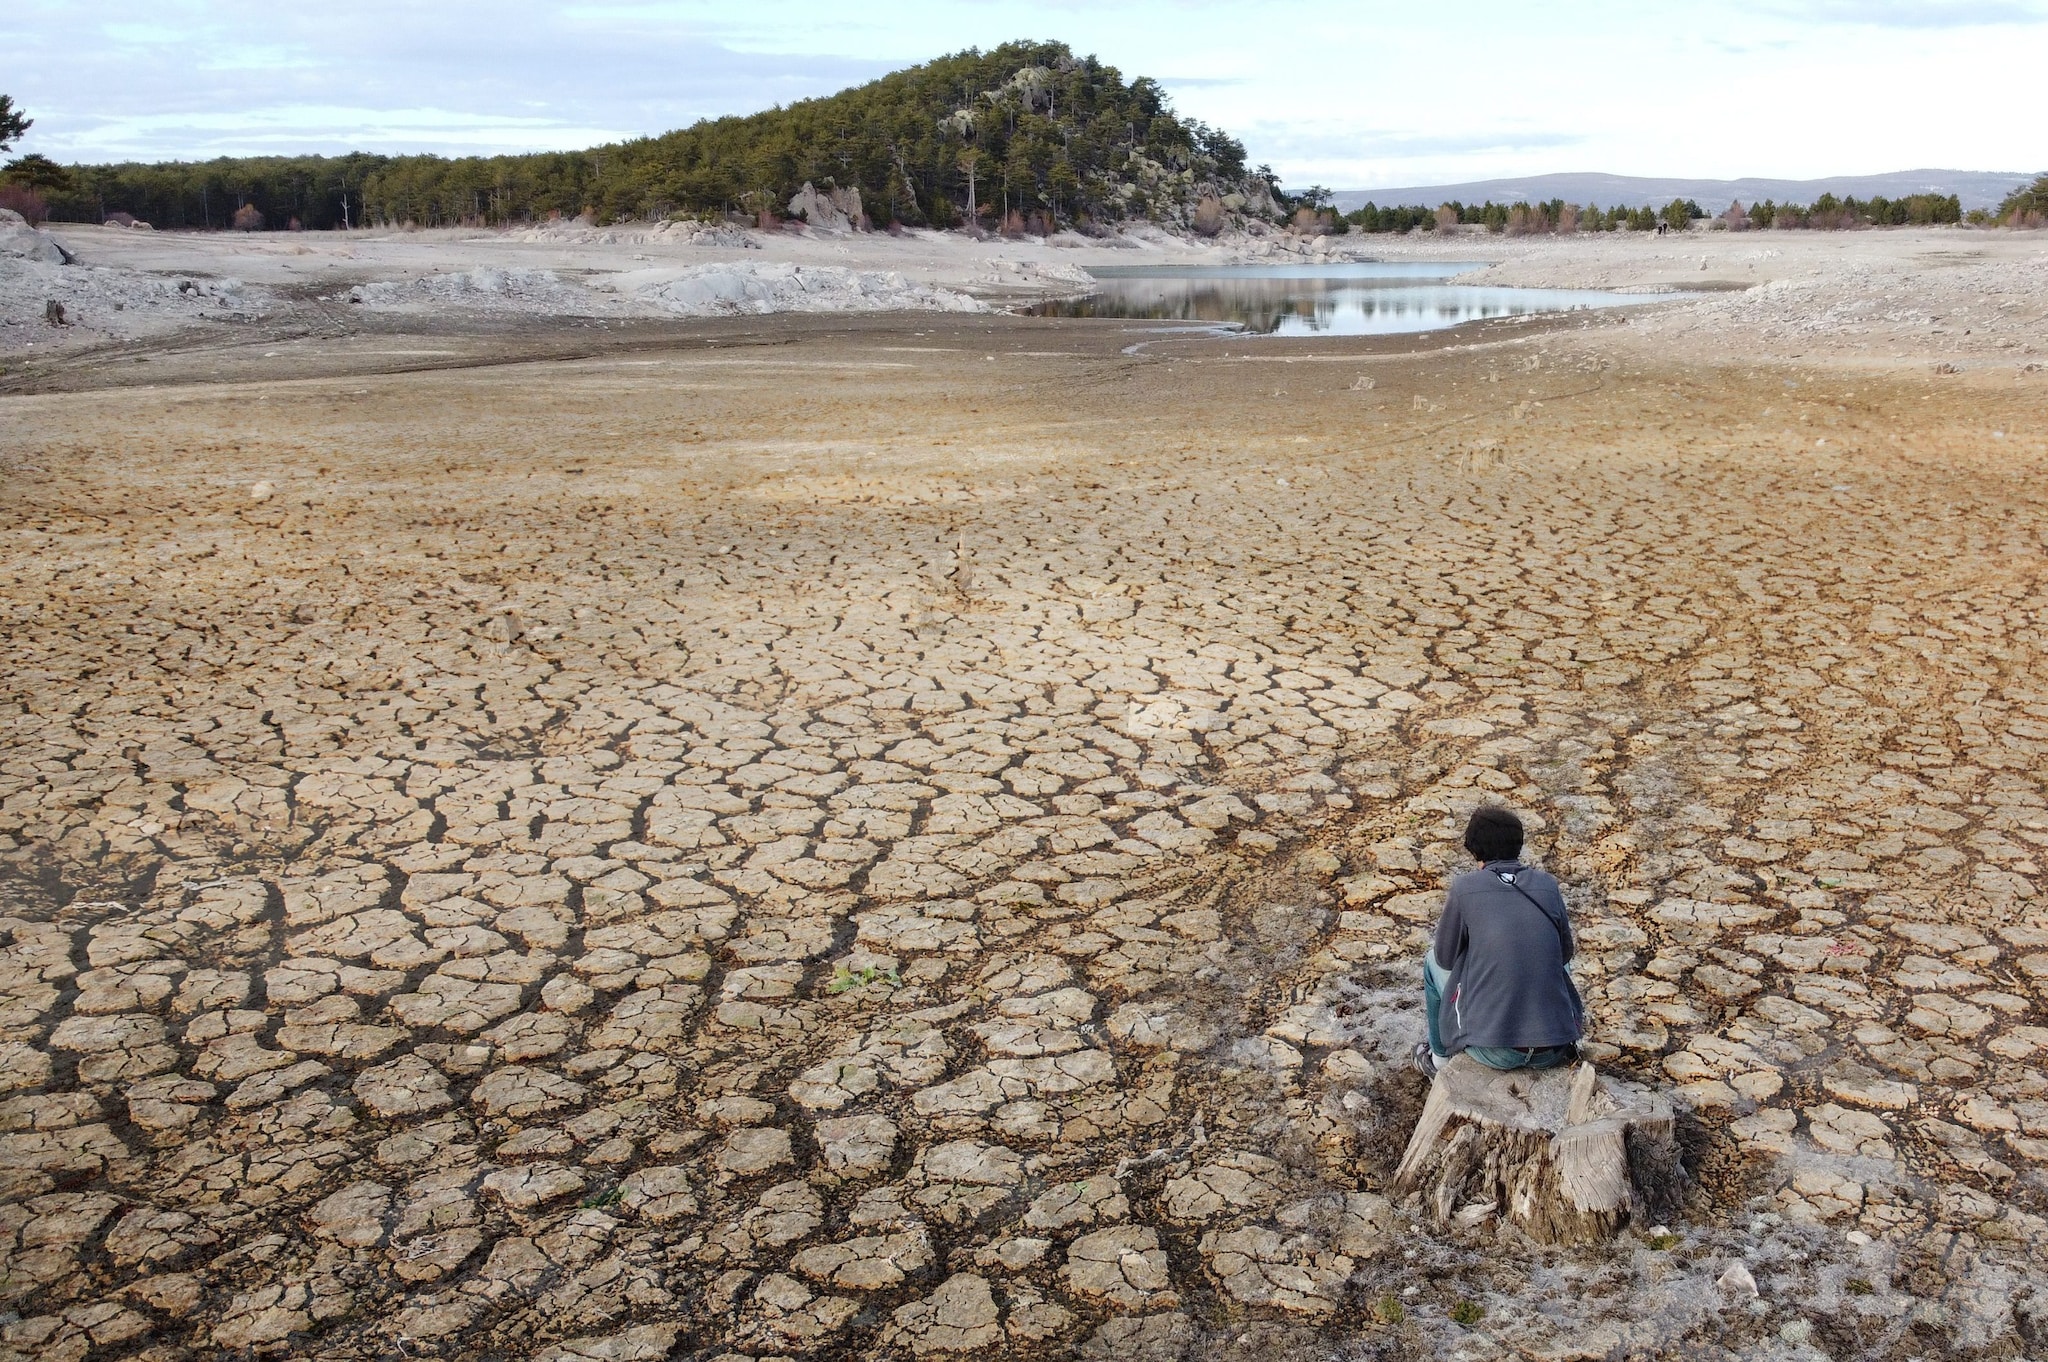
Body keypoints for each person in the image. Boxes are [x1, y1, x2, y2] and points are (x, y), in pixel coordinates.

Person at [1413, 806, 1583, 1076]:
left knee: (1431, 962)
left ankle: (1439, 1059)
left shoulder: (1464, 888)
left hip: (1493, 1050)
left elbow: (1445, 958)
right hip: (1554, 1049)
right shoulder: (1547, 885)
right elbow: (1565, 955)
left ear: (1473, 848)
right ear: (1518, 844)